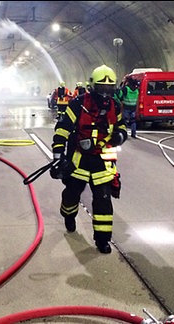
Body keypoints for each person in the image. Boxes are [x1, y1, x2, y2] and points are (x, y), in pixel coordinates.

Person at [50, 65, 127, 254]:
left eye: (109, 89)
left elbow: (122, 126)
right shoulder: (78, 104)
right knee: (71, 195)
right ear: (93, 86)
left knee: (103, 200)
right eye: (101, 88)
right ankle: (68, 215)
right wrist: (58, 156)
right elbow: (62, 129)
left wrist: (120, 136)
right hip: (79, 160)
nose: (105, 93)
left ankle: (102, 240)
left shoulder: (114, 106)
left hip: (103, 161)